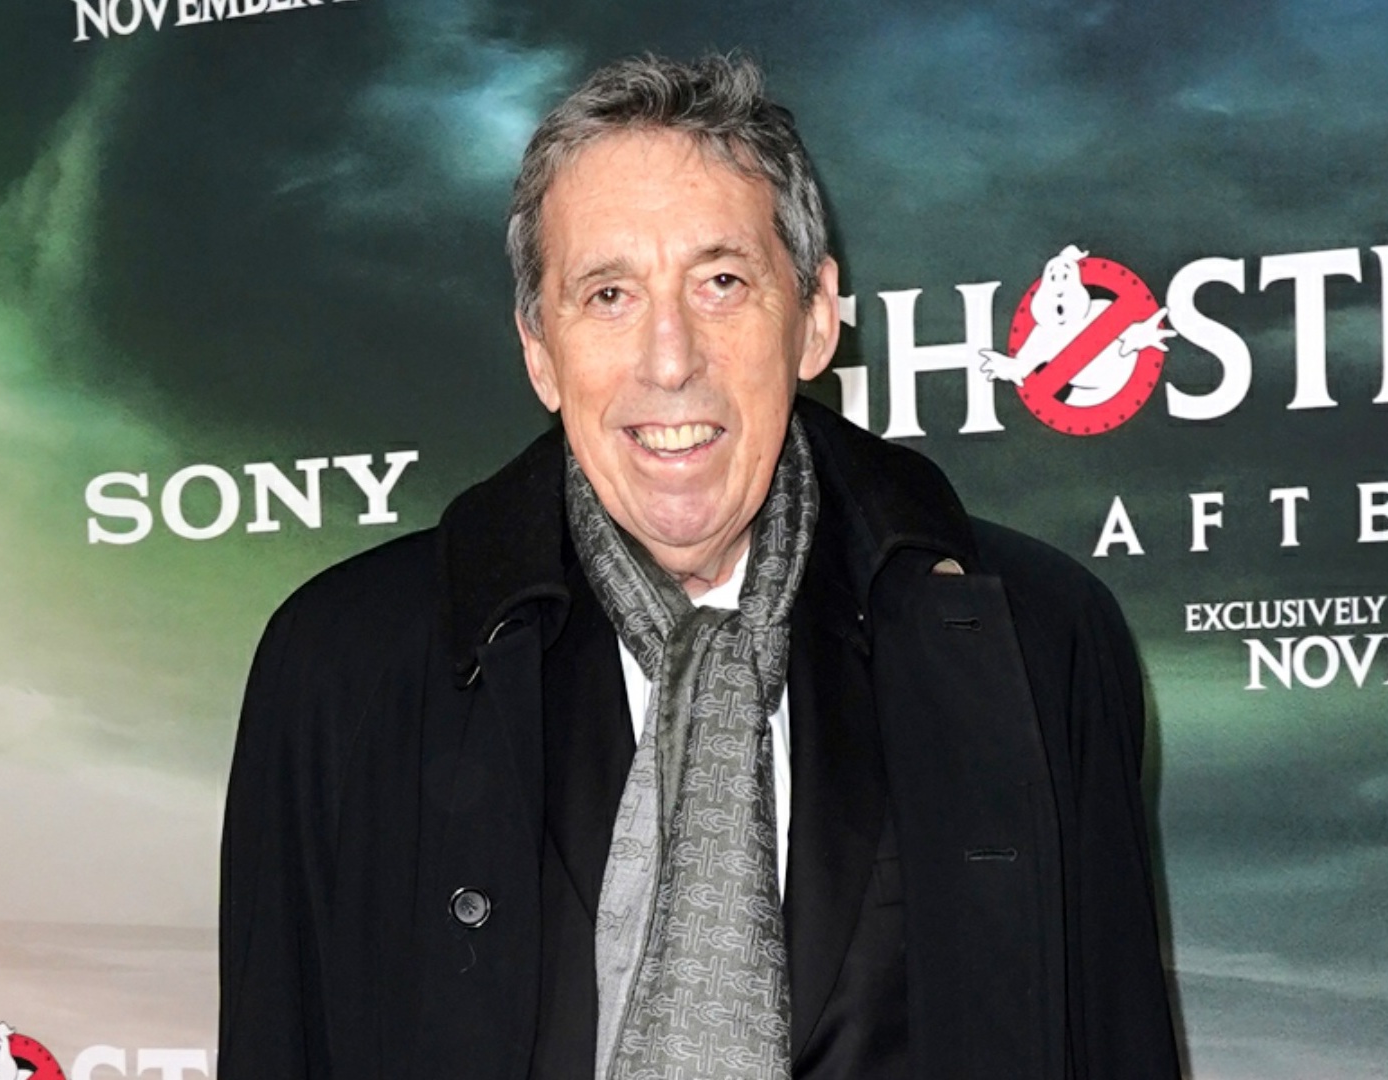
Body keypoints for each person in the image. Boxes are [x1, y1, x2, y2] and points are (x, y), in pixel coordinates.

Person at [220, 53, 1180, 1080]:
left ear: (815, 317)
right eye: (608, 294)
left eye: (722, 283)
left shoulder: (1040, 641)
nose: (669, 358)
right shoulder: (342, 668)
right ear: (539, 350)